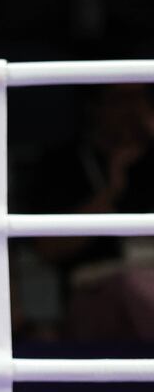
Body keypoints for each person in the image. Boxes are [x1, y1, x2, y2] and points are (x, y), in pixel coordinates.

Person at [28, 83, 154, 340]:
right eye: (123, 100)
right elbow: (47, 249)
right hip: (93, 291)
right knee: (132, 285)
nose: (134, 111)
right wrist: (111, 192)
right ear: (94, 107)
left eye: (142, 100)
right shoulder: (62, 162)